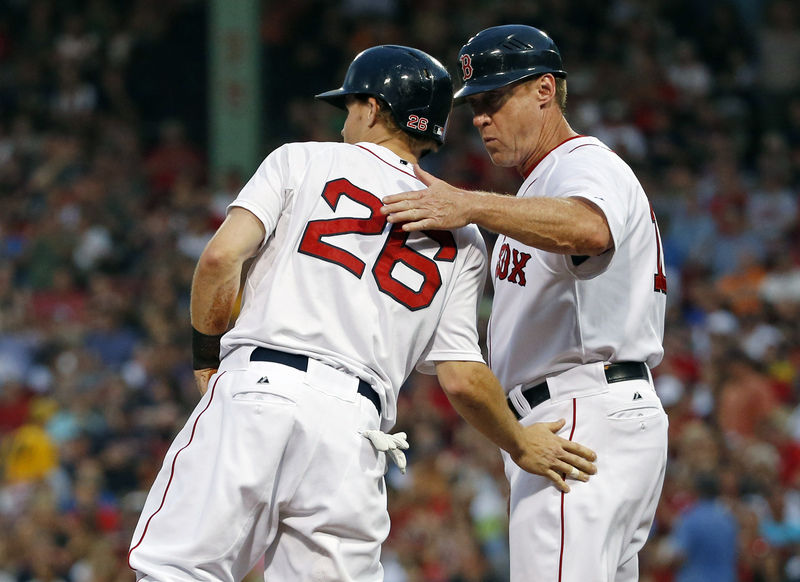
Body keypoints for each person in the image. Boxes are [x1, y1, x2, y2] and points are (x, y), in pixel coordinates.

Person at [127, 44, 597, 582]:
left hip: (262, 388)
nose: (345, 119)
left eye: (349, 106)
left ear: (372, 108)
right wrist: (519, 441)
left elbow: (219, 258)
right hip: (356, 432)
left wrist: (205, 356)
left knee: (177, 570)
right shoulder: (464, 235)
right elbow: (463, 377)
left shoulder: (301, 159)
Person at [382, 25, 669, 582]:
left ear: (544, 89)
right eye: (474, 107)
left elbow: (589, 228)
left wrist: (467, 205)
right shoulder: (537, 187)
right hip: (591, 416)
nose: (481, 118)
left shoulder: (580, 162)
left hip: (579, 413)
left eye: (494, 100)